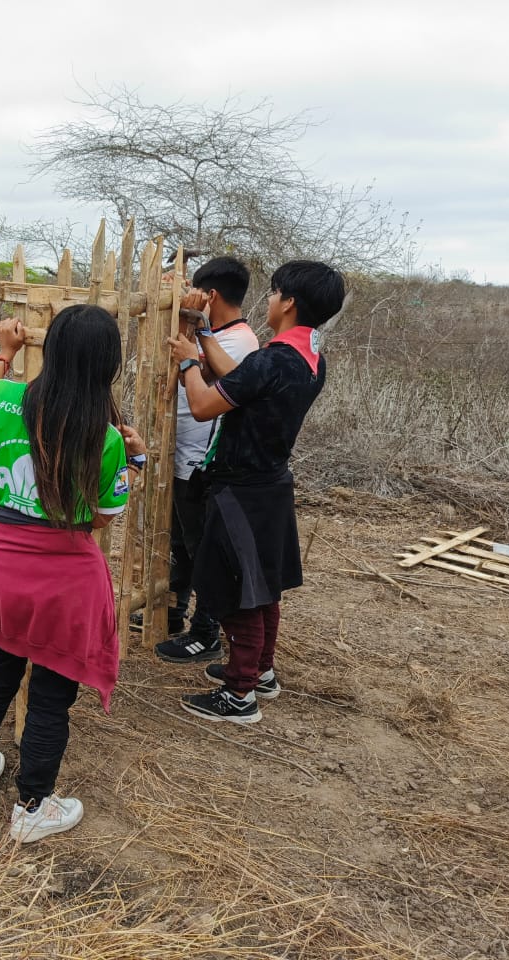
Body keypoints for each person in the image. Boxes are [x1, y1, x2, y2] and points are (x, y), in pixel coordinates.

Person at [0, 304, 145, 843]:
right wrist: (136, 465)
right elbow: (102, 518)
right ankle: (32, 806)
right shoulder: (104, 438)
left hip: (5, 570)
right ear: (107, 366)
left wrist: (3, 353)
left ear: (50, 349)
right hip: (64, 585)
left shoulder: (4, 399)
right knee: (52, 695)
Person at [169, 260, 345, 724]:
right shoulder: (307, 358)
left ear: (288, 302)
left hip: (241, 489)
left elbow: (205, 405)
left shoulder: (272, 361)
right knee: (262, 586)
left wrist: (188, 361)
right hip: (271, 485)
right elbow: (242, 380)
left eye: (274, 293)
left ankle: (239, 693)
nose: (268, 300)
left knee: (237, 590)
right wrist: (204, 335)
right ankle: (260, 671)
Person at [151, 256, 259, 664]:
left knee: (204, 551)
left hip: (202, 462)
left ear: (210, 295)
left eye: (195, 293)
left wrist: (189, 326)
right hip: (183, 457)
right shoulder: (214, 334)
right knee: (182, 544)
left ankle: (206, 632)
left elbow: (200, 377)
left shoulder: (237, 342)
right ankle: (174, 611)